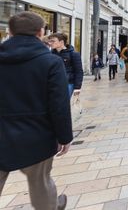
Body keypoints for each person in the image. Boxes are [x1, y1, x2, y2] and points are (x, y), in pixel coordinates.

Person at [0, 11, 71, 210]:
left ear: (10, 32)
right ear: (41, 32)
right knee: (41, 183)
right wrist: (64, 137)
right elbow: (59, 104)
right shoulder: (50, 62)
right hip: (37, 134)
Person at [49, 33, 83, 98]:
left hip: (68, 84)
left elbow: (78, 71)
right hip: (53, 83)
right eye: (50, 41)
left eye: (53, 41)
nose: (50, 43)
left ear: (61, 42)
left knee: (62, 104)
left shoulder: (73, 54)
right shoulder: (50, 54)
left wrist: (77, 88)